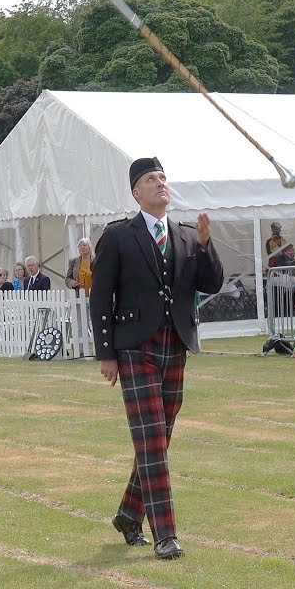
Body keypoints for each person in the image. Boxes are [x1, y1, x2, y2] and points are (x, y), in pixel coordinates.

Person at [91, 156, 224, 561]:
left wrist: (206, 245)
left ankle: (128, 515)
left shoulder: (186, 235)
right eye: (151, 179)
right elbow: (101, 297)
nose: (160, 183)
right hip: (134, 347)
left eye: (163, 177)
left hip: (175, 344)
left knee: (158, 438)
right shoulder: (118, 236)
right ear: (136, 192)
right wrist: (106, 353)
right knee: (150, 440)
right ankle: (165, 535)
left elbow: (211, 283)